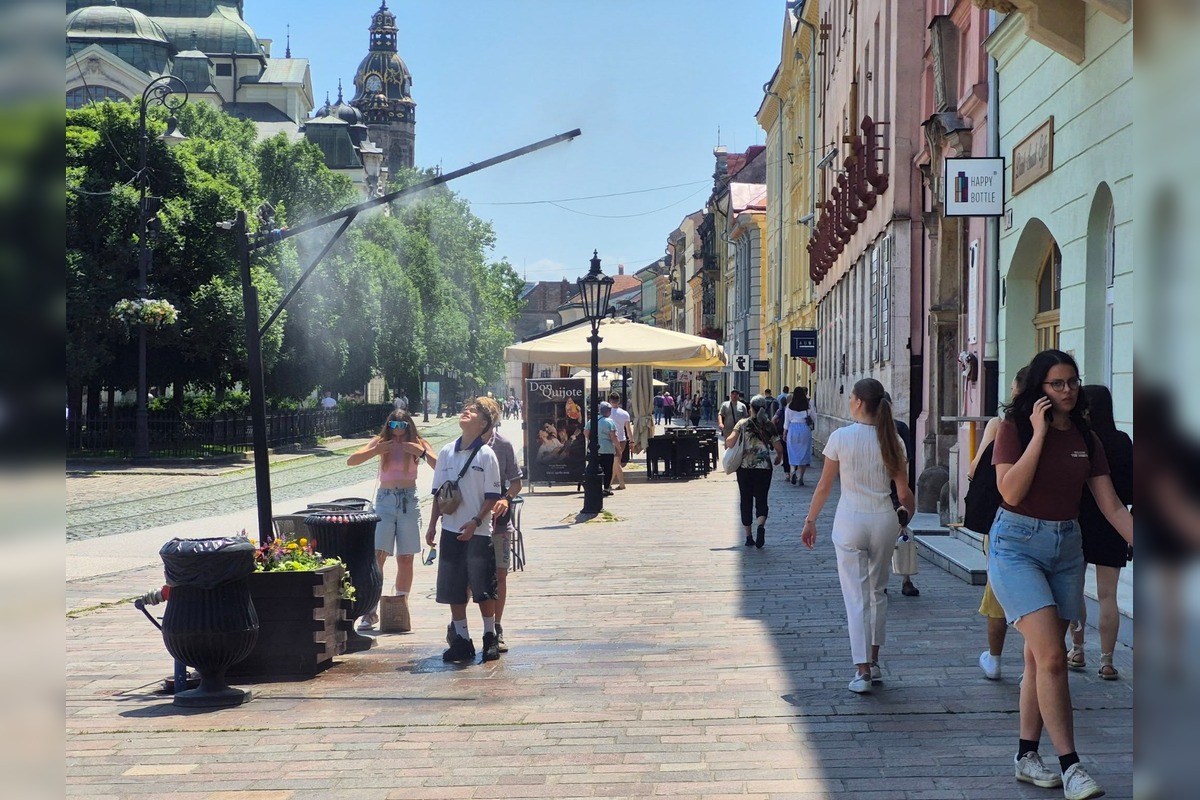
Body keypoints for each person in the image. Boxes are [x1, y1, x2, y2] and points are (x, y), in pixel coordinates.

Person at [987, 349, 1131, 798]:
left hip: (1067, 548)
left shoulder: (1088, 440)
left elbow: (1110, 505)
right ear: (1039, 391)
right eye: (1057, 384)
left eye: (1072, 382)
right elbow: (1010, 490)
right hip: (1015, 545)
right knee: (1052, 656)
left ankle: (1026, 755)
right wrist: (1036, 433)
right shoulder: (1013, 430)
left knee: (1037, 659)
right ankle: (1072, 766)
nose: (1068, 390)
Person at [801, 378, 915, 695]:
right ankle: (874, 662)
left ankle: (861, 670)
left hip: (850, 520)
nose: (849, 400)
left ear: (859, 403)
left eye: (851, 397)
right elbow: (905, 493)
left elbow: (824, 486)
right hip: (884, 520)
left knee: (856, 596)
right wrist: (905, 520)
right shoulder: (894, 440)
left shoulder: (840, 437)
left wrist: (810, 521)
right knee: (877, 592)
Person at [426, 397, 504, 663]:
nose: (465, 413)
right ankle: (461, 640)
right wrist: (432, 525)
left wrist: (476, 521)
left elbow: (492, 496)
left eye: (472, 412)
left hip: (478, 530)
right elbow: (438, 494)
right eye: (465, 410)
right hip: (450, 529)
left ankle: (489, 636)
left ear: (482, 424)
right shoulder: (447, 451)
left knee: (483, 587)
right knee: (453, 588)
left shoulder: (486, 454)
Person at [346, 409, 437, 630]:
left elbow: (441, 465)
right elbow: (351, 461)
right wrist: (375, 450)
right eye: (394, 426)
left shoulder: (418, 442)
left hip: (409, 499)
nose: (398, 431)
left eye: (402, 426)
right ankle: (370, 611)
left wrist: (422, 453)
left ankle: (399, 605)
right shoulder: (380, 441)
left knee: (405, 557)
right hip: (385, 500)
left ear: (409, 426)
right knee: (378, 555)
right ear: (388, 426)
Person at [1066, 384, 1133, 680]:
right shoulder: (1122, 440)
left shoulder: (1079, 439)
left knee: (1074, 592)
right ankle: (1107, 661)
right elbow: (1133, 487)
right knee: (1108, 596)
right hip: (1113, 523)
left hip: (1077, 521)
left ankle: (1077, 649)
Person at [965, 367, 1028, 680]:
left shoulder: (999, 426)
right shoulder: (1063, 431)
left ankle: (995, 658)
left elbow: (975, 471)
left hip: (1004, 522)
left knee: (997, 593)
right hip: (1052, 525)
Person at [481, 398, 523, 654]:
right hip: (470, 520)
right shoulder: (462, 446)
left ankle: (497, 627)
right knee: (467, 580)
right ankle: (460, 627)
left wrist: (506, 499)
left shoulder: (503, 445)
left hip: (498, 522)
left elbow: (516, 482)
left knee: (500, 574)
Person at [727, 394, 786, 548]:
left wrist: (729, 439)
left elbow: (730, 442)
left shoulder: (742, 423)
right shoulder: (768, 424)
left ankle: (748, 536)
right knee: (762, 498)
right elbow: (779, 447)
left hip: (745, 468)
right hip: (764, 468)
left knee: (745, 500)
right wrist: (779, 457)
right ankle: (761, 526)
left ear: (750, 408)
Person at [783, 387, 815, 486]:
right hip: (805, 429)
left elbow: (786, 421)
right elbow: (814, 418)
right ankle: (801, 477)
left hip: (793, 429)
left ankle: (793, 471)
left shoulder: (789, 406)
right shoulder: (808, 406)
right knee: (804, 452)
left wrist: (785, 432)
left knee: (792, 451)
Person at [607, 392, 633, 489]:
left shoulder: (607, 413)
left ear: (610, 401)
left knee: (616, 463)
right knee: (616, 462)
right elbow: (628, 429)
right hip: (622, 440)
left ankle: (621, 484)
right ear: (619, 401)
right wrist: (632, 441)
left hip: (611, 440)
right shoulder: (625, 413)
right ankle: (610, 484)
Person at [595, 401, 619, 495]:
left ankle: (597, 487)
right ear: (608, 411)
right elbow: (613, 436)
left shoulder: (592, 420)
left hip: (595, 449)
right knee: (608, 469)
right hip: (608, 449)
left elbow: (586, 432)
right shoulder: (610, 421)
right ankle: (606, 488)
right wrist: (618, 449)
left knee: (596, 469)